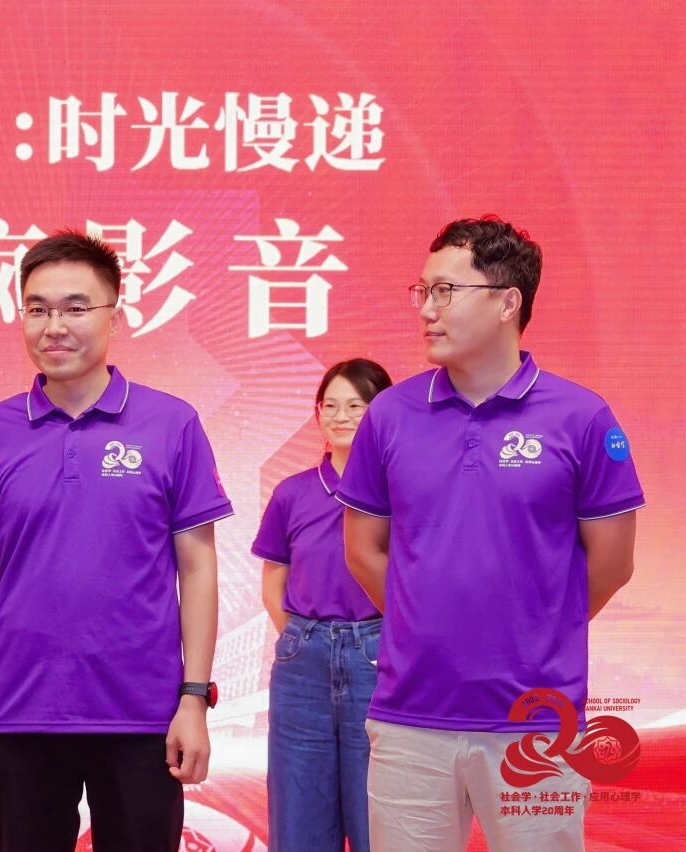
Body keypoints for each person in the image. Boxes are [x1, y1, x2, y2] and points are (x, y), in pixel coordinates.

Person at [339, 216, 644, 850]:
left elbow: (613, 563)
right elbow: (363, 549)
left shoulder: (582, 417)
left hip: (538, 725)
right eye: (422, 291)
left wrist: (534, 628)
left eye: (446, 291)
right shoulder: (390, 415)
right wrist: (427, 623)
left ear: (508, 302)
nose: (427, 309)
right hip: (410, 718)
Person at [0, 230, 233, 851]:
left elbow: (197, 567)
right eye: (38, 309)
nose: (55, 327)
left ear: (114, 317)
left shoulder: (171, 424)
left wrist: (193, 699)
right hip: (22, 714)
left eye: (76, 308)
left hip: (144, 716)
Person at [254, 358, 392, 851]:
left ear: (382, 414)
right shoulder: (292, 493)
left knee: (380, 810)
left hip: (377, 655)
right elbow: (274, 578)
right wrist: (300, 637)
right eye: (329, 406)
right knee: (299, 810)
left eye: (356, 406)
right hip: (303, 663)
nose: (340, 416)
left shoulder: (402, 491)